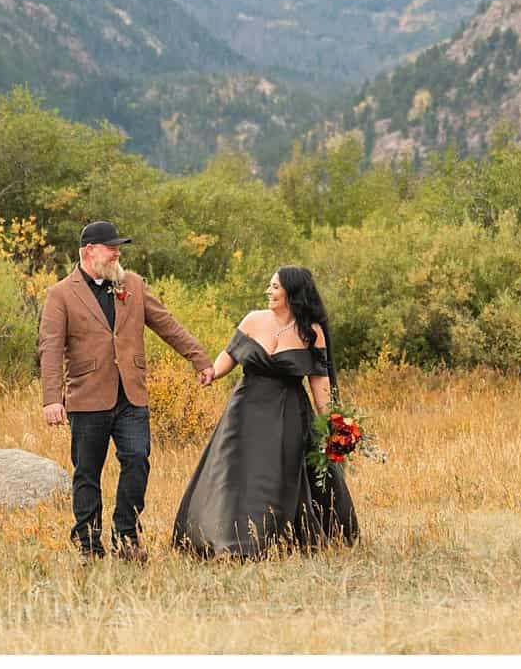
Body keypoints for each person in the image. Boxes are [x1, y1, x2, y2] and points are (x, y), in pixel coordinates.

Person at [38, 220, 214, 560]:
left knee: (137, 460)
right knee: (87, 472)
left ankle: (126, 536)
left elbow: (167, 323)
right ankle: (89, 544)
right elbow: (51, 348)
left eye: (119, 247)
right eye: (111, 247)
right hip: (87, 398)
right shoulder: (60, 294)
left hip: (131, 395)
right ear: (90, 251)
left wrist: (199, 359)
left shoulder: (131, 284)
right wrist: (51, 399)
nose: (118, 252)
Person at [172, 265, 359, 558]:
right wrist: (212, 374)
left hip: (288, 413)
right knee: (233, 471)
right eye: (270, 286)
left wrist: (333, 424)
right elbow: (230, 354)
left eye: (274, 287)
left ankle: (274, 536)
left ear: (292, 292)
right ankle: (226, 538)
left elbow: (319, 383)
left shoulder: (312, 332)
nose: (268, 292)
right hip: (245, 409)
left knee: (277, 474)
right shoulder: (253, 320)